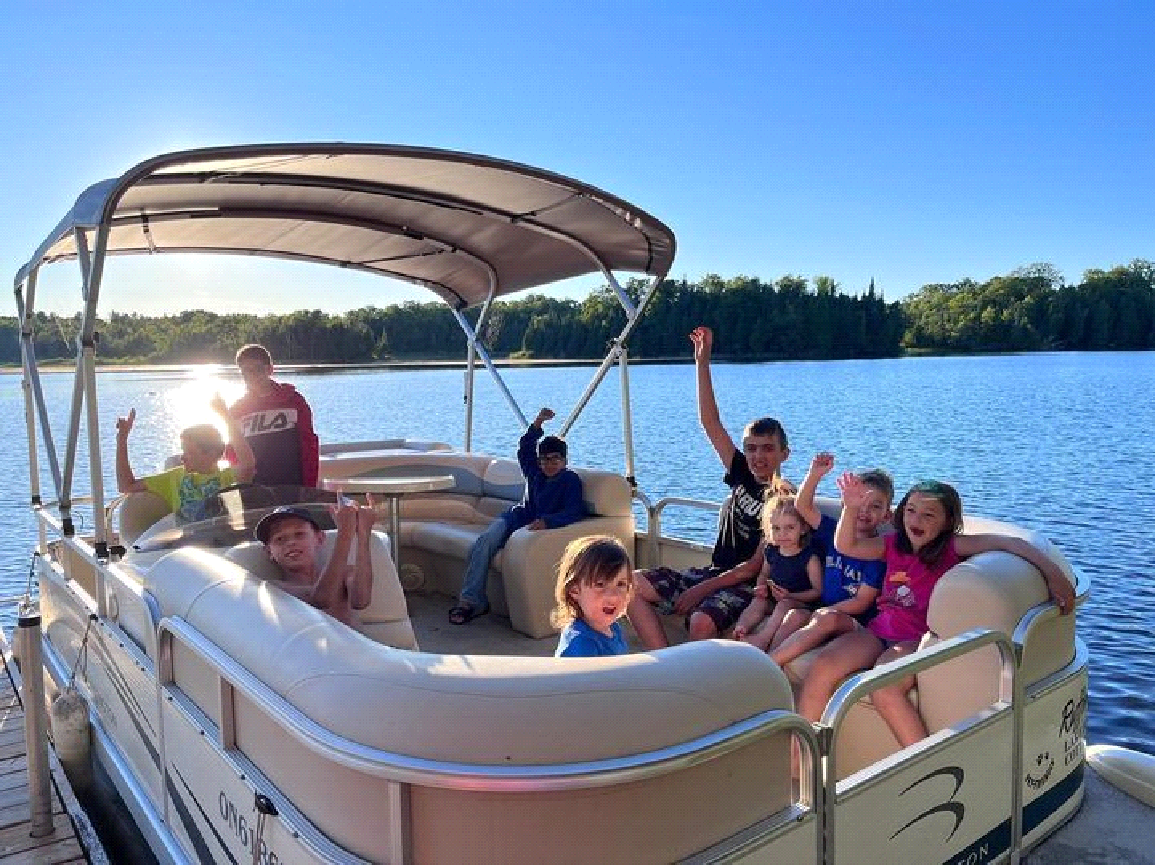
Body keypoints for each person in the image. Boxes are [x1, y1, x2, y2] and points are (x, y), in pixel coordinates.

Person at [796, 474, 1077, 748]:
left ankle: (927, 773)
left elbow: (1013, 543)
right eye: (911, 511)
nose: (916, 521)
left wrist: (1054, 576)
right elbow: (847, 545)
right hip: (879, 630)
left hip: (914, 639)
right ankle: (799, 764)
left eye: (928, 515)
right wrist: (851, 508)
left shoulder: (952, 548)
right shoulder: (892, 544)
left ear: (947, 523)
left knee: (884, 686)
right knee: (823, 665)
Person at [628, 325, 792, 647]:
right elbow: (710, 421)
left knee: (701, 621)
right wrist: (702, 362)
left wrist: (699, 590)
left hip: (743, 583)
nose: (758, 456)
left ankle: (697, 682)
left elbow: (755, 567)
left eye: (768, 449)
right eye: (752, 448)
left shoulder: (784, 499)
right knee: (630, 584)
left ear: (784, 453)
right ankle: (666, 665)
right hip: (714, 571)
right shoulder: (741, 471)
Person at [449, 407, 586, 625]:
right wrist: (538, 423)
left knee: (511, 547)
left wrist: (548, 521)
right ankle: (471, 601)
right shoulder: (534, 471)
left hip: (536, 527)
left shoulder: (570, 481)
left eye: (555, 459)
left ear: (565, 461)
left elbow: (574, 512)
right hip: (517, 518)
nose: (549, 464)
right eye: (544, 459)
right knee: (483, 543)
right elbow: (525, 449)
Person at [766, 454, 892, 668]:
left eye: (875, 506)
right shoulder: (832, 531)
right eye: (859, 500)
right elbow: (803, 506)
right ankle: (768, 661)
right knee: (794, 614)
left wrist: (824, 611)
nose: (864, 509)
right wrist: (814, 474)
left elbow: (861, 602)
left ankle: (767, 665)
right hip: (821, 608)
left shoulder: (878, 552)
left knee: (828, 618)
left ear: (886, 516)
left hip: (851, 621)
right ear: (846, 503)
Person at [116, 395, 257, 523]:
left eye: (189, 452)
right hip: (187, 547)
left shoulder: (227, 477)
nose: (182, 457)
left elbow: (248, 464)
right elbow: (126, 486)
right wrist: (122, 439)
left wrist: (226, 417)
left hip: (221, 543)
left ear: (211, 454)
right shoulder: (175, 476)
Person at [254, 498, 377, 628]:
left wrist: (363, 533)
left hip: (356, 646)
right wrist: (345, 534)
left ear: (319, 539)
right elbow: (321, 600)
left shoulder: (346, 573)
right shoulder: (274, 588)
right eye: (280, 539)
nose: (291, 543)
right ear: (269, 552)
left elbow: (361, 601)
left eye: (299, 534)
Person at [731, 495, 822, 650]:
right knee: (758, 602)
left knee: (784, 605)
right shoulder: (771, 551)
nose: (782, 534)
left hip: (800, 603)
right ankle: (741, 629)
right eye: (776, 528)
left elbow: (818, 591)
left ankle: (764, 638)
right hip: (774, 598)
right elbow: (764, 574)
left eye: (790, 528)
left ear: (803, 528)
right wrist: (761, 587)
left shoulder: (809, 558)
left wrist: (790, 596)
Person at [228, 343, 320, 487]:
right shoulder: (237, 409)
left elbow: (309, 445)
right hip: (254, 489)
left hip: (291, 486)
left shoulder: (293, 400)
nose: (252, 376)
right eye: (246, 371)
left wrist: (308, 486)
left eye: (258, 369)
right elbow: (233, 453)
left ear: (270, 369)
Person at [553, 536, 634, 657]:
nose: (613, 596)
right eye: (600, 585)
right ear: (575, 590)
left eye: (621, 584)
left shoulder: (613, 628)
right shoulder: (581, 645)